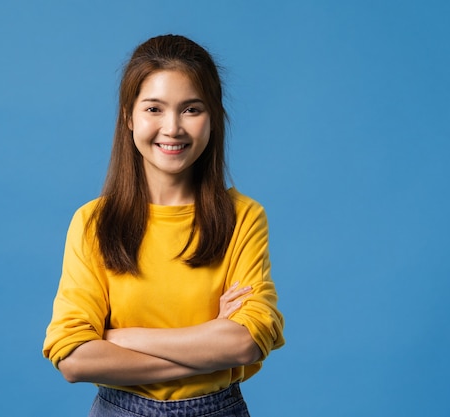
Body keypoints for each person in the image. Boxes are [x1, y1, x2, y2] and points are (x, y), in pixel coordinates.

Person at [42, 34, 285, 417]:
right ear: (129, 116)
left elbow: (245, 343)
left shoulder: (243, 218)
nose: (172, 128)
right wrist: (206, 351)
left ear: (213, 116)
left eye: (191, 109)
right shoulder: (92, 223)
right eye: (154, 109)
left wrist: (121, 338)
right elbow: (74, 358)